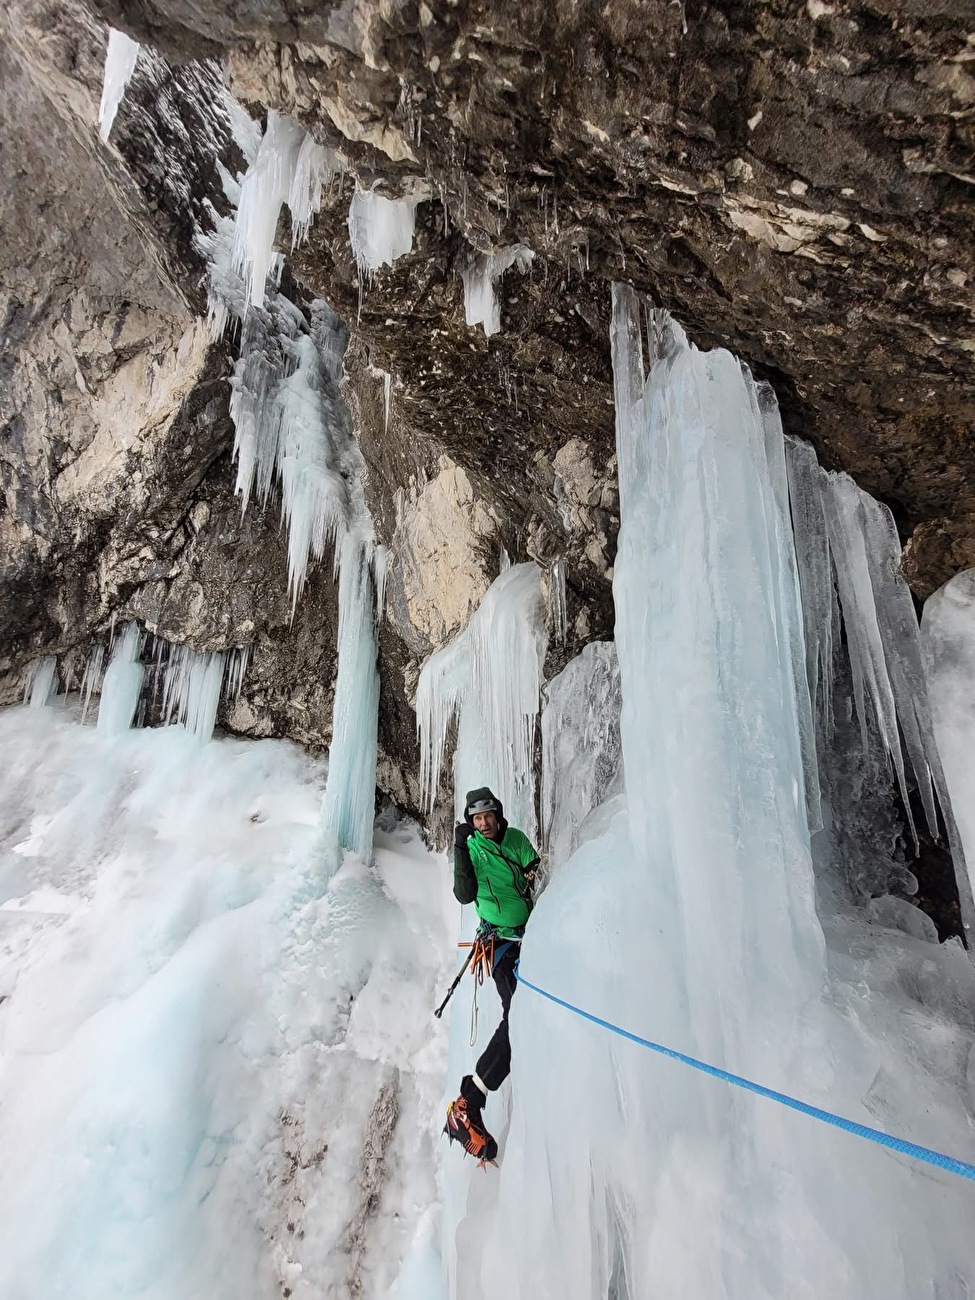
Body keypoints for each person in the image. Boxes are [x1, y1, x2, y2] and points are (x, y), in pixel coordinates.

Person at [444, 786, 539, 1164]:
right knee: (518, 1017)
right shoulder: (471, 849)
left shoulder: (514, 839)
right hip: (498, 942)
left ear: (497, 815)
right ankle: (468, 1102)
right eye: (476, 818)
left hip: (528, 935)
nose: (482, 823)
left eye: (487, 816)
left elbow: (533, 869)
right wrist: (458, 849)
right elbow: (464, 894)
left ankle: (472, 1099)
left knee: (523, 1017)